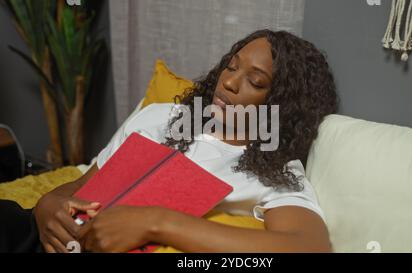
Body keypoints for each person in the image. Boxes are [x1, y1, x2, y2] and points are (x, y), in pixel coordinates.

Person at [0, 29, 338, 253]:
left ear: (281, 102)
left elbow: (309, 246)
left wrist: (156, 222)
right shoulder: (162, 116)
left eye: (255, 80)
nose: (230, 83)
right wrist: (48, 203)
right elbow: (87, 183)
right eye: (231, 67)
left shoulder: (274, 167)